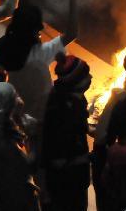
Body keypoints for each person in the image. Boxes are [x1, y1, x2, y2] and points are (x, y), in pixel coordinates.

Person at [0, 0, 79, 123]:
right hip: (45, 112)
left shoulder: (2, 46)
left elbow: (0, 70)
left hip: (22, 110)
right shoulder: (40, 54)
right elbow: (72, 34)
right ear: (34, 31)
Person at [0, 82, 41, 211]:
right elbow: (28, 167)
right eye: (14, 96)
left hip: (1, 192)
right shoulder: (2, 142)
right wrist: (34, 137)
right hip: (15, 198)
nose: (19, 100)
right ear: (6, 106)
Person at [43, 53, 92, 211]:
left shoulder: (68, 97)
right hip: (69, 180)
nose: (90, 77)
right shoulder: (64, 107)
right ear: (76, 81)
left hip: (73, 175)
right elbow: (62, 146)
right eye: (86, 75)